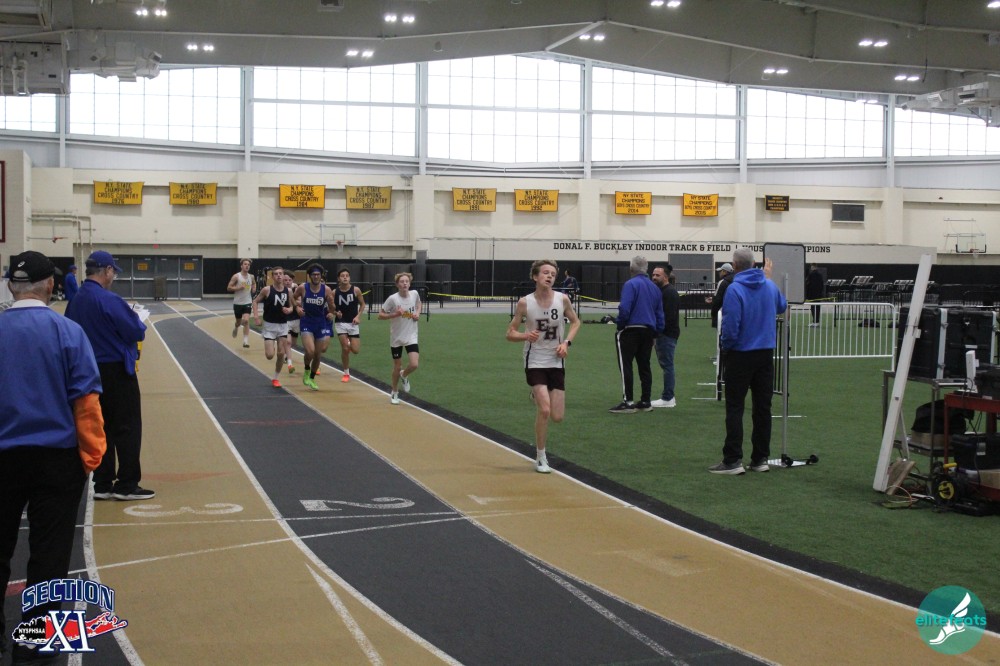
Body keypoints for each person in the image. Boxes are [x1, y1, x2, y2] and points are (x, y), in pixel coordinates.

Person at [0, 251, 107, 664]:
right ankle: (36, 644)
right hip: (56, 459)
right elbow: (86, 402)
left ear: (12, 286)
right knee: (50, 555)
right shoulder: (68, 331)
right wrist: (91, 458)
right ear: (49, 285)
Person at [65, 250, 153, 501]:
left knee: (99, 426)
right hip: (115, 370)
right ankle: (127, 484)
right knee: (127, 427)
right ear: (107, 270)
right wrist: (135, 318)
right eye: (113, 271)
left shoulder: (76, 300)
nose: (113, 276)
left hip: (86, 371)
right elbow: (136, 331)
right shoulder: (110, 300)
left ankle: (102, 483)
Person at [710, 248, 787, 475]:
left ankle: (733, 459)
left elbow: (731, 326)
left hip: (740, 354)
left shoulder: (734, 289)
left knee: (735, 407)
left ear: (734, 266)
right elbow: (781, 306)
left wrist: (726, 347)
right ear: (754, 264)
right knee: (762, 408)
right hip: (765, 354)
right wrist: (769, 280)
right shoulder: (769, 285)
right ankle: (760, 458)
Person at [507, 260, 580, 473]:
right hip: (535, 360)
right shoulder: (525, 303)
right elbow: (510, 333)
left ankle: (536, 394)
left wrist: (566, 343)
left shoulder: (562, 299)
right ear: (535, 276)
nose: (549, 276)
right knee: (545, 410)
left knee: (558, 416)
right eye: (545, 273)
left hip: (556, 360)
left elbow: (576, 322)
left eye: (553, 274)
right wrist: (525, 336)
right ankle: (540, 457)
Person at [609, 256, 664, 414]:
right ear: (646, 269)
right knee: (644, 365)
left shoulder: (630, 284)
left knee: (626, 365)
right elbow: (660, 314)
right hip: (648, 331)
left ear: (631, 269)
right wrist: (656, 333)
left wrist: (620, 324)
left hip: (630, 329)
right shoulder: (655, 288)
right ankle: (646, 401)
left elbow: (625, 308)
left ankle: (628, 402)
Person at [378, 272, 421, 405]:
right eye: (402, 282)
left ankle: (404, 374)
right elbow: (380, 315)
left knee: (414, 364)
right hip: (396, 337)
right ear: (397, 284)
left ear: (410, 283)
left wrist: (417, 313)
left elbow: (419, 304)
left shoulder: (414, 294)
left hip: (411, 335)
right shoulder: (393, 299)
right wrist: (395, 314)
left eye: (407, 281)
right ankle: (395, 391)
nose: (405, 284)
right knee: (397, 366)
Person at [293, 264, 337, 391]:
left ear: (321, 276)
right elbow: (293, 298)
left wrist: (332, 309)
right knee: (310, 351)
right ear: (310, 276)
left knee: (318, 354)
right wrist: (297, 307)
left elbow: (332, 308)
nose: (316, 277)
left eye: (318, 274)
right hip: (307, 322)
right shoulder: (303, 287)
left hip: (320, 323)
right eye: (314, 274)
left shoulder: (326, 289)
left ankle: (312, 378)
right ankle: (307, 369)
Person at [252, 266, 295, 388]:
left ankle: (275, 378)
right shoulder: (267, 290)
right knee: (270, 355)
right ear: (272, 276)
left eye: (281, 273)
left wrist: (289, 310)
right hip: (269, 326)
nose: (279, 275)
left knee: (281, 353)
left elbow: (292, 306)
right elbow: (255, 301)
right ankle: (271, 345)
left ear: (283, 275)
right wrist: (256, 317)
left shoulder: (289, 291)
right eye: (276, 274)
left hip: (283, 325)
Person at [651, 264, 680, 408]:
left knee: (667, 365)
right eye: (653, 275)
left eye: (658, 275)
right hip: (665, 334)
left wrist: (656, 334)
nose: (654, 277)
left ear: (666, 277)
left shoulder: (669, 293)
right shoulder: (663, 291)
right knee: (666, 365)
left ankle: (668, 397)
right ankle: (668, 397)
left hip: (666, 334)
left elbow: (667, 317)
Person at [333, 268, 366, 383]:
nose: (345, 277)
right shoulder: (335, 292)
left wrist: (358, 316)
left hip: (353, 323)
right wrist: (336, 313)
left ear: (350, 278)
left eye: (347, 275)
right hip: (340, 323)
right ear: (339, 278)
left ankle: (349, 342)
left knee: (355, 350)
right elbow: (330, 307)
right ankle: (346, 373)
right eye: (342, 276)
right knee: (345, 349)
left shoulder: (356, 290)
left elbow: (362, 304)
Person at [227, 258, 254, 348]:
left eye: (248, 265)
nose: (247, 266)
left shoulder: (251, 277)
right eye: (245, 264)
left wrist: (254, 288)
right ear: (241, 266)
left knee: (246, 321)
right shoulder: (236, 276)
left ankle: (245, 341)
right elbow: (229, 288)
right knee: (238, 322)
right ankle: (236, 327)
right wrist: (238, 288)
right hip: (238, 303)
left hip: (247, 302)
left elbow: (254, 283)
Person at [283, 272, 300, 374]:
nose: (287, 282)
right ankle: (290, 364)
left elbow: (300, 302)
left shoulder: (296, 289)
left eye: (289, 280)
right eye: (285, 280)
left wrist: (292, 300)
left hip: (296, 319)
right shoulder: (279, 291)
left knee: (293, 343)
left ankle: (285, 354)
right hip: (285, 320)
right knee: (288, 342)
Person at [709, 262, 734, 329]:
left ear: (725, 272)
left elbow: (717, 300)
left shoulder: (722, 282)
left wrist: (713, 315)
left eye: (721, 271)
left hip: (723, 313)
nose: (719, 273)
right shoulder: (736, 281)